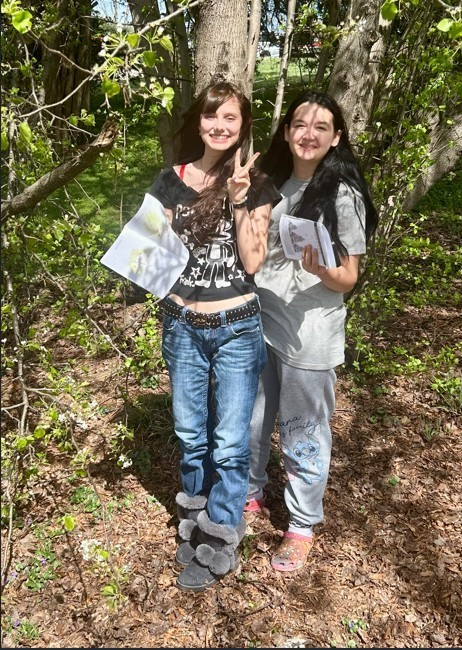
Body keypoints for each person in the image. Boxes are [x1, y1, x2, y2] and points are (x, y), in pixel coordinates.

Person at [148, 81, 279, 592]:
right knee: (189, 433)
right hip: (182, 325)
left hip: (237, 328)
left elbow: (252, 261)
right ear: (197, 122)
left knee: (229, 441)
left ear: (243, 125)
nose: (219, 127)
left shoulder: (258, 183)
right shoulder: (170, 181)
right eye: (211, 116)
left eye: (230, 118)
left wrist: (242, 202)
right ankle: (193, 517)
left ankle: (221, 536)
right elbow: (153, 262)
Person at [245, 91, 379, 571]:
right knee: (254, 418)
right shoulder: (273, 184)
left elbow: (348, 278)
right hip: (261, 323)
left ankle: (301, 525)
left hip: (310, 333)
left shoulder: (342, 194)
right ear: (287, 131)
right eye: (301, 124)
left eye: (321, 127)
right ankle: (249, 496)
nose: (309, 134)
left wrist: (320, 268)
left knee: (303, 430)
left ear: (335, 138)